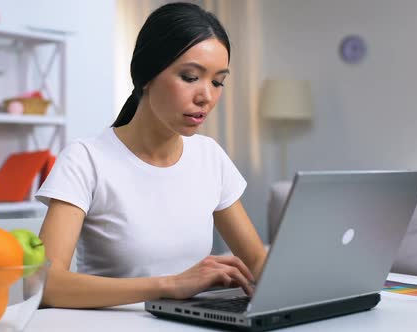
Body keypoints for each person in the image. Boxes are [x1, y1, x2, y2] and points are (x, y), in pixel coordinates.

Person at [36, 2, 267, 309]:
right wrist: (170, 285)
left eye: (217, 81)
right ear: (146, 75)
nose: (207, 97)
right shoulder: (86, 160)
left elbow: (257, 261)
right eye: (189, 77)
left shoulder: (210, 156)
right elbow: (45, 284)